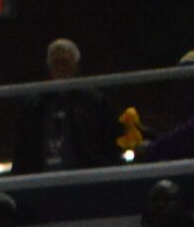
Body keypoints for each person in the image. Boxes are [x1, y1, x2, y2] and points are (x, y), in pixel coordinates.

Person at [13, 39, 121, 174]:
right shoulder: (33, 106)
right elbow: (23, 151)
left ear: (76, 65)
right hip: (43, 178)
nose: (60, 69)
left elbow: (109, 145)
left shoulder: (95, 102)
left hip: (86, 176)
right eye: (55, 63)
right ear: (49, 67)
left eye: (64, 63)